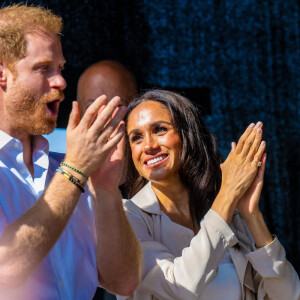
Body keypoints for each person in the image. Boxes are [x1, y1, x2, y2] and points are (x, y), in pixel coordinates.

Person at [0, 4, 141, 300]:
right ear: (3, 74)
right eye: (43, 68)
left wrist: (105, 190)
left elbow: (124, 282)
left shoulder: (64, 170)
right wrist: (75, 170)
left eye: (60, 68)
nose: (61, 82)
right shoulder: (71, 173)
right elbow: (6, 269)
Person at [117, 89, 300, 299]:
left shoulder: (228, 212)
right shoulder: (127, 216)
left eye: (159, 129)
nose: (148, 145)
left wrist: (251, 215)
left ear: (188, 134)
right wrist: (228, 194)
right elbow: (180, 287)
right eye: (136, 138)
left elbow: (290, 296)